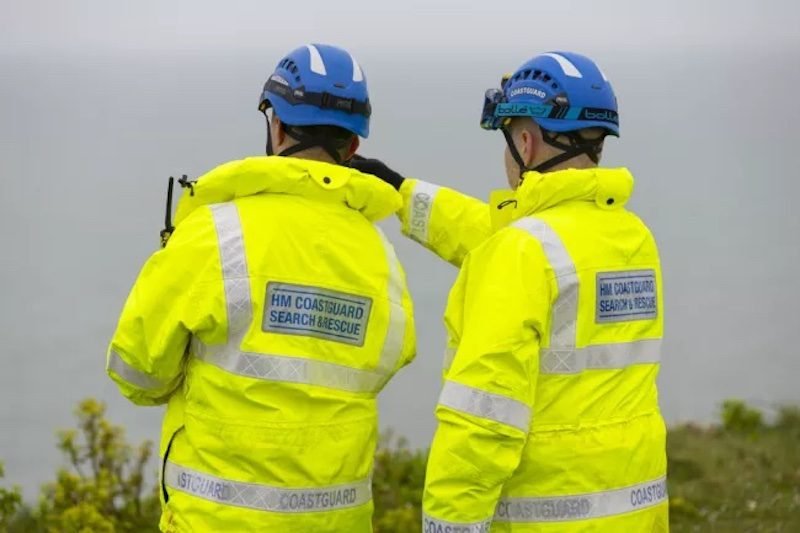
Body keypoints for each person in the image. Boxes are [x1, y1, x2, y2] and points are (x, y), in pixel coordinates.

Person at [352, 51, 667, 532]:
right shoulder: (631, 237)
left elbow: (482, 417)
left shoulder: (523, 251)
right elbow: (498, 236)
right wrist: (402, 192)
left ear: (525, 140)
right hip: (635, 514)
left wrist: (449, 523)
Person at [106, 43, 416, 533]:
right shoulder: (381, 254)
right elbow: (386, 361)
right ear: (353, 147)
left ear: (276, 126)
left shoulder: (214, 231)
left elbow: (137, 372)